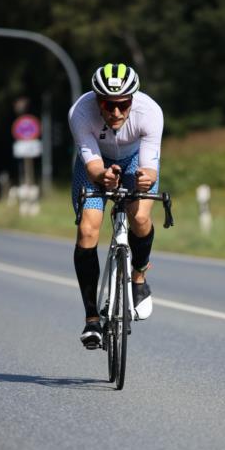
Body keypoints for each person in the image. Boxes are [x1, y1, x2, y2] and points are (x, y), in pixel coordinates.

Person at [68, 63, 163, 348]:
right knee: (87, 230)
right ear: (97, 100)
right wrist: (103, 177)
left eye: (124, 104)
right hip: (95, 165)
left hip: (135, 162)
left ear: (133, 99)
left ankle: (138, 277)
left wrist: (146, 180)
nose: (117, 112)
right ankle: (91, 319)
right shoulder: (80, 112)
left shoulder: (150, 112)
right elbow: (94, 164)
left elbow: (150, 167)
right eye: (110, 105)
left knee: (141, 219)